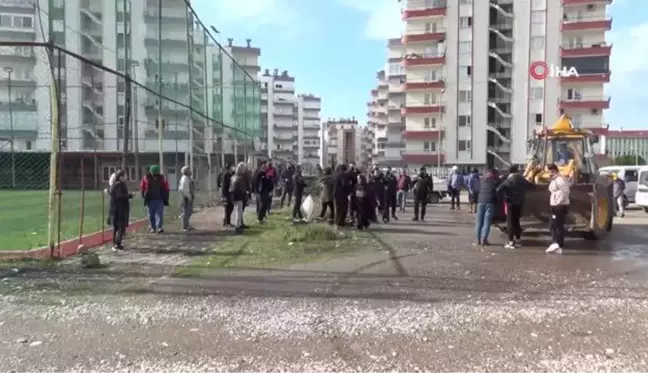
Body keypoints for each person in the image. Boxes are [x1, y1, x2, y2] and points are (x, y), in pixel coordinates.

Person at [496, 164, 530, 249]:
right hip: (519, 203)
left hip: (510, 203)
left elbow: (498, 190)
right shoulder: (522, 180)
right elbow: (532, 186)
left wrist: (505, 196)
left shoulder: (508, 181)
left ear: (509, 171)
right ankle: (518, 239)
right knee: (516, 221)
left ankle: (511, 242)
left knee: (510, 222)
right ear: (517, 171)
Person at [546, 163, 571, 254]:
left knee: (553, 226)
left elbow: (565, 192)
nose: (549, 173)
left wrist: (557, 202)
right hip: (557, 205)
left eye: (549, 171)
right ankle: (559, 245)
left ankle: (555, 243)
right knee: (558, 225)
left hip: (558, 206)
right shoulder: (556, 179)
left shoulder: (560, 179)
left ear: (554, 170)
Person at [474, 168, 500, 246]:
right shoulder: (496, 180)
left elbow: (476, 190)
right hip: (490, 202)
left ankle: (477, 240)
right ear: (495, 174)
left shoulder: (482, 180)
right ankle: (484, 239)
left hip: (480, 201)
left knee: (479, 222)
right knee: (486, 222)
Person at [140, 165, 170, 233]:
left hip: (159, 199)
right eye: (153, 171)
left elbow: (166, 188)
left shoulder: (162, 178)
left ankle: (159, 227)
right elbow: (142, 187)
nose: (154, 173)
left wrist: (166, 197)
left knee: (159, 214)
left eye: (155, 171)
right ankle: (152, 227)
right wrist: (143, 196)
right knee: (151, 214)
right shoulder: (146, 178)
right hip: (150, 199)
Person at [109, 170, 133, 251]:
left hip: (115, 209)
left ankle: (116, 244)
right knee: (120, 227)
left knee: (116, 227)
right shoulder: (119, 185)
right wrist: (129, 195)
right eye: (125, 175)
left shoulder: (115, 184)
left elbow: (112, 193)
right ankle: (116, 244)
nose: (126, 177)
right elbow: (119, 196)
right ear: (121, 177)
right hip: (119, 209)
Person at [230, 162, 248, 234]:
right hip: (239, 196)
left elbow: (230, 187)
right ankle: (237, 227)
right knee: (239, 212)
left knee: (237, 211)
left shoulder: (233, 177)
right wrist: (246, 195)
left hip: (233, 196)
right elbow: (242, 189)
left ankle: (238, 226)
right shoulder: (241, 178)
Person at [178, 166, 195, 232]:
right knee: (186, 212)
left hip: (188, 197)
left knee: (189, 211)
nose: (190, 171)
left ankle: (187, 225)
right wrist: (189, 196)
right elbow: (184, 189)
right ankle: (184, 227)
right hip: (186, 198)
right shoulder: (184, 179)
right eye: (189, 170)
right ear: (185, 171)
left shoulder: (188, 178)